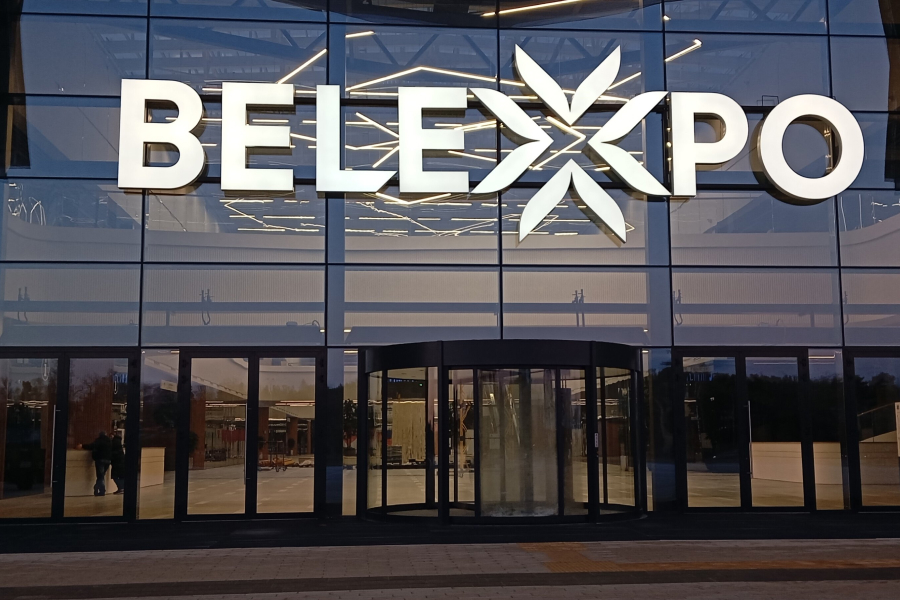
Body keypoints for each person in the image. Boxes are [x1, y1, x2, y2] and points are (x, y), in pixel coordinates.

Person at [83, 431, 112, 496]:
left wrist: (82, 445)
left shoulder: (99, 441)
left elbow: (91, 446)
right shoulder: (109, 441)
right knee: (101, 475)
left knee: (100, 476)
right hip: (108, 460)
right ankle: (97, 488)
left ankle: (102, 490)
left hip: (100, 459)